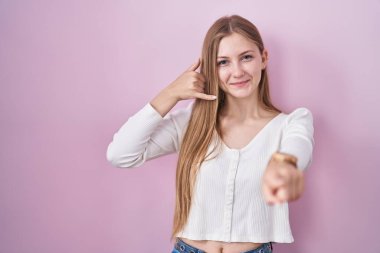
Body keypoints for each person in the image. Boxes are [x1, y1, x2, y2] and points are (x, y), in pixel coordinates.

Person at [106, 15, 314, 253]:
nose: (237, 72)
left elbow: (298, 149)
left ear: (263, 58)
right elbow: (120, 154)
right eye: (223, 62)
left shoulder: (291, 124)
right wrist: (171, 93)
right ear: (211, 69)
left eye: (246, 57)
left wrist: (286, 165)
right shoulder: (193, 122)